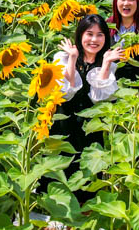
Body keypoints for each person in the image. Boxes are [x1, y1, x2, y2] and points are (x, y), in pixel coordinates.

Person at [51, 14, 124, 203]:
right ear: (80, 35)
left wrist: (107, 63)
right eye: (89, 34)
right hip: (64, 125)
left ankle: (84, 214)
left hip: (91, 129)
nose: (94, 40)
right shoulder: (62, 57)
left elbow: (100, 98)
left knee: (87, 172)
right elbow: (66, 93)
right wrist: (73, 59)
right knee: (61, 168)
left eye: (100, 35)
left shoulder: (108, 63)